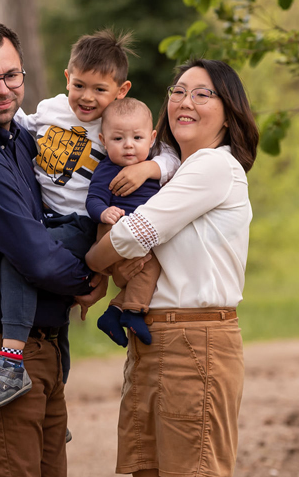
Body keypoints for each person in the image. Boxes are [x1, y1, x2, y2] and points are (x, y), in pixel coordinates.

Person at [0, 21, 114, 477]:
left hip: (39, 342)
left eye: (12, 76)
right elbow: (35, 256)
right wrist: (90, 282)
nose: (3, 89)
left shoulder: (14, 135)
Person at [0, 29, 179, 408]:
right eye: (79, 85)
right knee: (54, 306)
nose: (87, 97)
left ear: (121, 90)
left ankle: (11, 360)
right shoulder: (50, 109)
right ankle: (52, 400)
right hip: (43, 217)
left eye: (100, 89)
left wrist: (148, 168)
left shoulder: (118, 123)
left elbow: (169, 157)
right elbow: (19, 127)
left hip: (83, 223)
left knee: (19, 260)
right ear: (67, 77)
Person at [86, 59, 260, 477]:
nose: (185, 101)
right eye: (178, 91)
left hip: (194, 342)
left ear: (229, 110)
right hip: (151, 338)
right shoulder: (168, 172)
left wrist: (93, 266)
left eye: (203, 93)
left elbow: (133, 234)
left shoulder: (214, 166)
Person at [85, 98, 164, 347]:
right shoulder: (107, 169)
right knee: (148, 266)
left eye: (137, 139)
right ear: (103, 141)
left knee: (147, 267)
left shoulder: (155, 168)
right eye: (118, 139)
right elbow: (93, 199)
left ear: (151, 139)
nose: (128, 146)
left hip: (140, 238)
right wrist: (103, 212)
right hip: (113, 230)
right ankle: (132, 312)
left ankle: (115, 313)